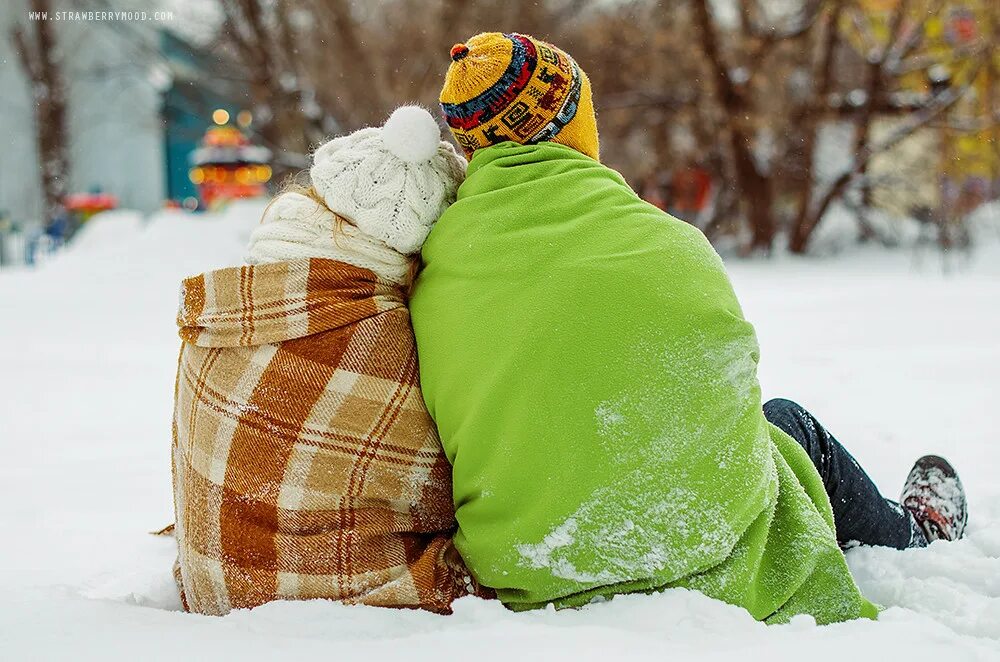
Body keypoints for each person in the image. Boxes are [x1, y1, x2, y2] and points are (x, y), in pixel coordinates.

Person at [410, 32, 967, 624]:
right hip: (708, 545)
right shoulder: (671, 244)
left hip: (533, 569)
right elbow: (727, 401)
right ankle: (914, 536)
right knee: (787, 424)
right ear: (575, 126)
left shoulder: (432, 269)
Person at [170, 106, 487, 615]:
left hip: (216, 588)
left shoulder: (229, 307)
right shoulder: (376, 338)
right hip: (348, 609)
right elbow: (455, 493)